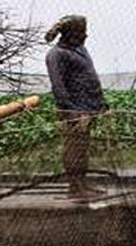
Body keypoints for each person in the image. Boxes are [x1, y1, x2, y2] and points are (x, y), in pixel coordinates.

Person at [44, 15, 107, 200]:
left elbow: (88, 77)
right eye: (81, 32)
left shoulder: (80, 49)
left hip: (88, 108)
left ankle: (83, 183)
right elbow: (58, 86)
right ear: (70, 33)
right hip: (74, 111)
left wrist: (101, 103)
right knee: (73, 149)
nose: (85, 36)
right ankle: (75, 187)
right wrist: (70, 110)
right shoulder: (56, 55)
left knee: (83, 148)